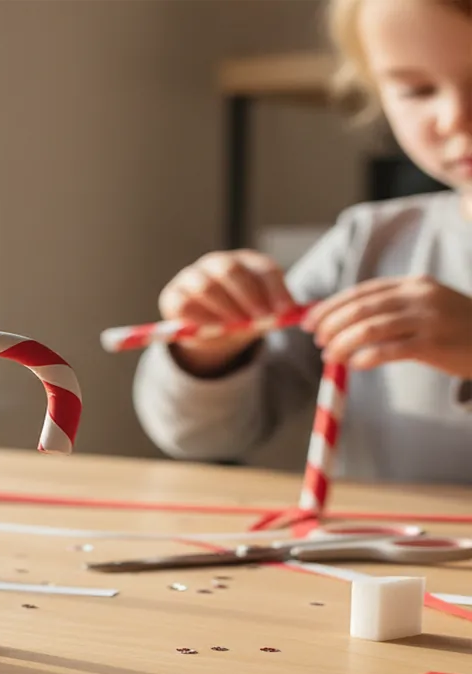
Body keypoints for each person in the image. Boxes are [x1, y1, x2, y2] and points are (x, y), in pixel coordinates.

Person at [133, 0, 472, 485]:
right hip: (379, 557)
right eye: (416, 89)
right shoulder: (367, 243)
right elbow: (204, 436)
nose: (455, 118)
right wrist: (212, 353)